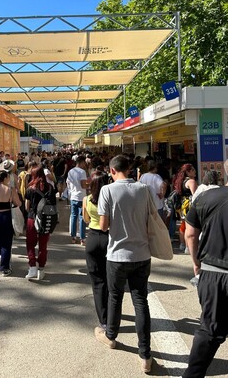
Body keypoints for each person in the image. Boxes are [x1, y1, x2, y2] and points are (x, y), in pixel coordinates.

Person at [95, 155, 153, 374]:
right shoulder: (143, 189)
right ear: (129, 169)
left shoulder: (107, 191)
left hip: (117, 255)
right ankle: (145, 354)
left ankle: (110, 336)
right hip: (142, 253)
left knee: (115, 296)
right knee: (141, 301)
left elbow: (103, 225)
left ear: (111, 171)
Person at [183, 159, 228, 378]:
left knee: (210, 330)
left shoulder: (206, 198)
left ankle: (192, 374)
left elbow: (190, 233)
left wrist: (196, 263)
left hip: (213, 273)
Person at [82, 171, 108, 330]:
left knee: (97, 282)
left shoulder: (86, 199)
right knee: (110, 279)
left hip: (92, 238)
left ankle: (103, 320)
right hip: (108, 238)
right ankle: (112, 313)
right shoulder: (110, 200)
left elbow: (86, 219)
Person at [24, 165, 57, 280]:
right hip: (46, 218)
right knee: (43, 245)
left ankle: (32, 267)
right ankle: (41, 269)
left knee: (30, 243)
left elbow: (27, 207)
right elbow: (54, 205)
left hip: (32, 219)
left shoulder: (30, 189)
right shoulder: (50, 188)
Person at [173, 163, 198, 252]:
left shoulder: (181, 181)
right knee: (189, 227)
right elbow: (196, 195)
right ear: (188, 172)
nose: (195, 172)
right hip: (189, 206)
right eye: (193, 170)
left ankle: (182, 244)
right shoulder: (191, 182)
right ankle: (188, 246)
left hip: (183, 206)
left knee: (183, 226)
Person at [66, 155, 88, 245]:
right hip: (81, 197)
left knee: (73, 217)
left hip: (73, 197)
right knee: (82, 218)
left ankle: (73, 237)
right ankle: (82, 238)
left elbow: (68, 183)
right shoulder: (82, 172)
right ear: (82, 162)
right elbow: (83, 185)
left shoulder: (70, 171)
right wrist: (89, 186)